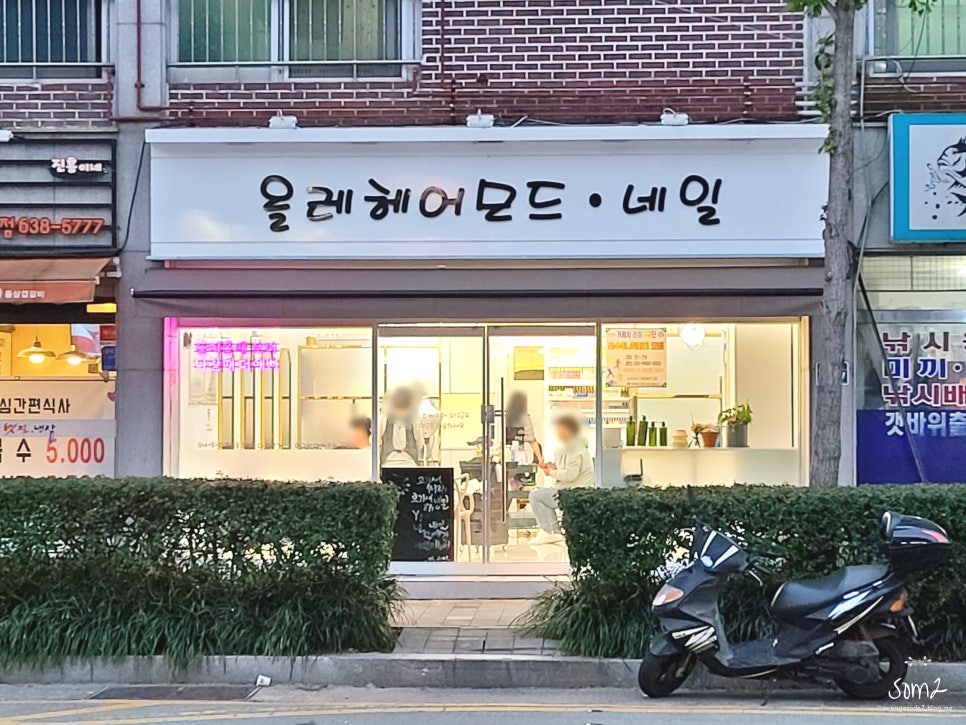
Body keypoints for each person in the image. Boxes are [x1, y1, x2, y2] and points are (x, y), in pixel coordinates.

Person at [530, 411, 594, 545]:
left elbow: (570, 475)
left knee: (536, 496)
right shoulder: (570, 447)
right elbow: (567, 471)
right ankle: (551, 530)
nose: (556, 432)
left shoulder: (574, 449)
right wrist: (553, 468)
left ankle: (551, 532)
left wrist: (551, 473)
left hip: (574, 491)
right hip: (571, 489)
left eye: (559, 428)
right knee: (538, 493)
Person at [379, 386, 420, 467]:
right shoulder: (384, 419)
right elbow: (419, 444)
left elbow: (419, 442)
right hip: (389, 463)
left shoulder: (414, 419)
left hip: (409, 463)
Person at [505, 390, 544, 465]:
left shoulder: (524, 418)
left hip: (519, 454)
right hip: (507, 453)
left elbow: (532, 440)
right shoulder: (504, 417)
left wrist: (540, 458)